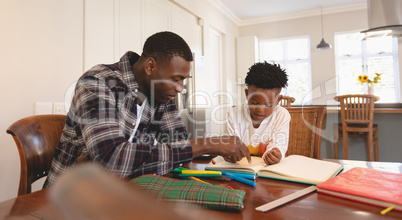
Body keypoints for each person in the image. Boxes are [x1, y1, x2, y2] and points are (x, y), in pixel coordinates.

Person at [44, 31, 250, 188]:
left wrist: (132, 159)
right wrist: (207, 144)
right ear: (150, 67)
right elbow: (112, 160)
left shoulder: (160, 92)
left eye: (183, 81)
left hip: (119, 189)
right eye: (175, 79)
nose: (180, 89)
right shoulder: (98, 83)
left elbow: (179, 145)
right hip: (70, 195)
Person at [227, 61, 290, 165]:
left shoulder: (281, 115)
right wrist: (228, 153)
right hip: (238, 171)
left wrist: (276, 153)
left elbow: (279, 145)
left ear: (278, 100)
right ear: (247, 94)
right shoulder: (233, 115)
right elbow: (228, 146)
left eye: (268, 104)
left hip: (268, 173)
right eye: (255, 103)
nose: (260, 110)